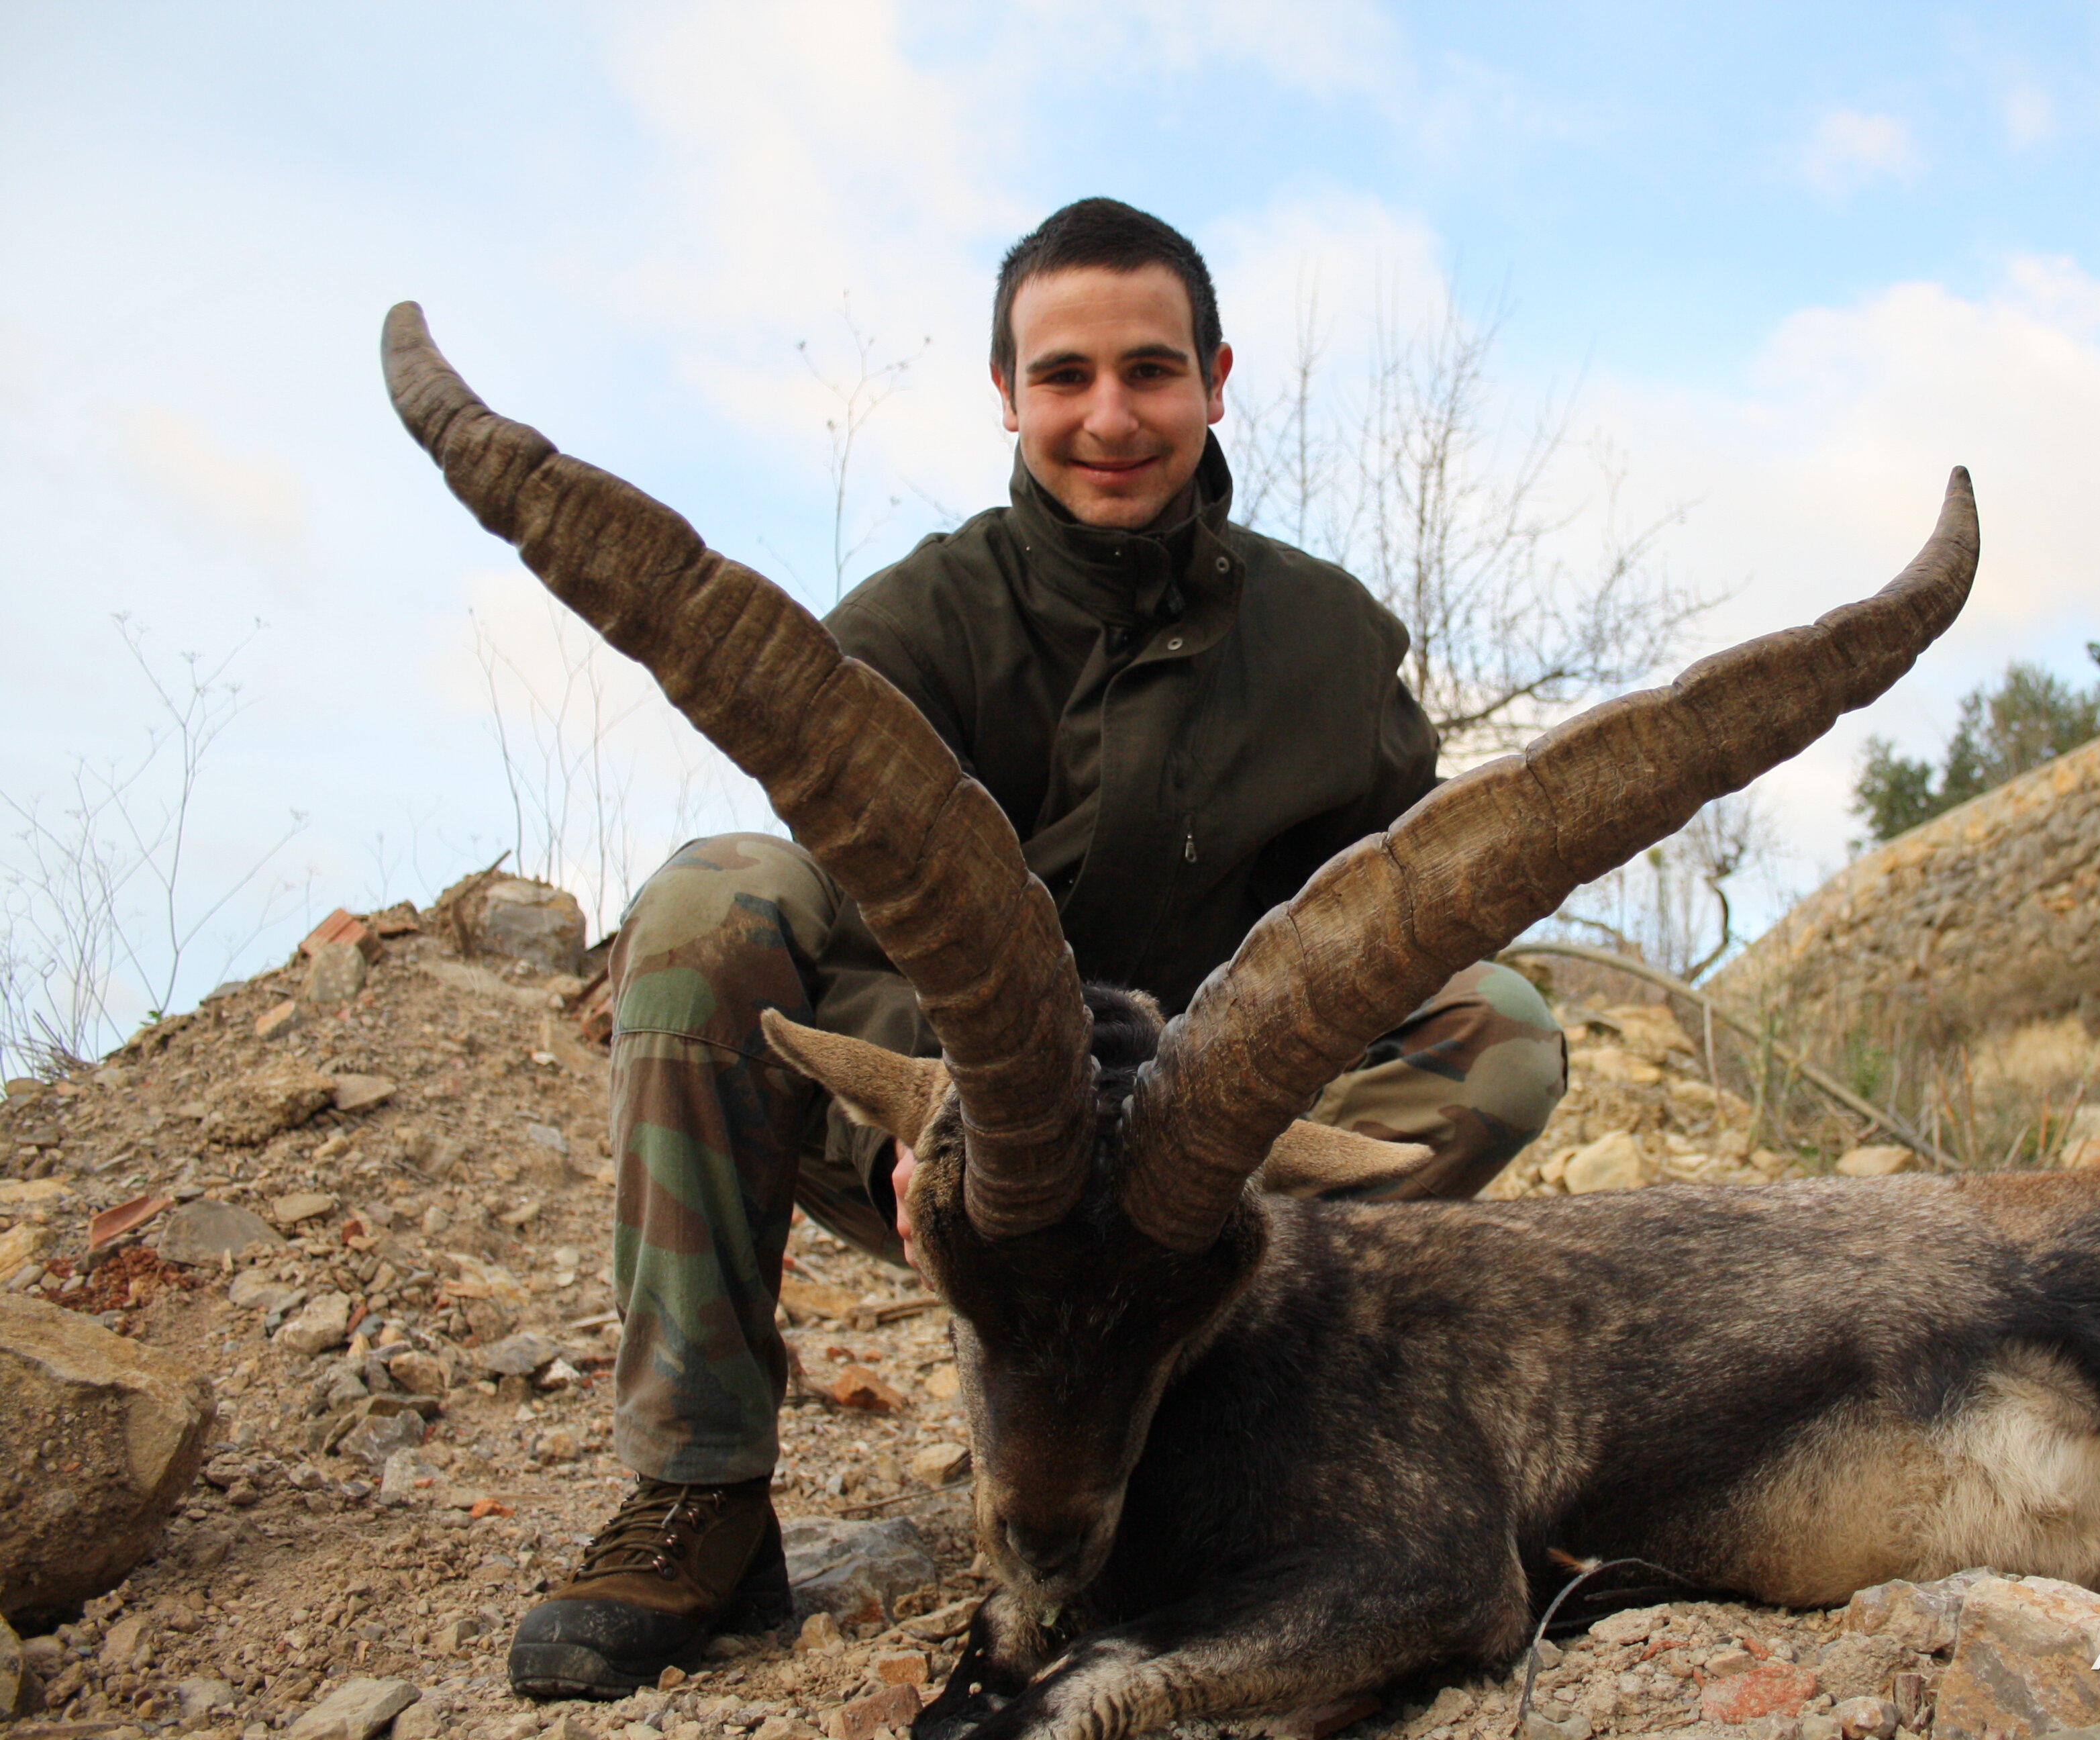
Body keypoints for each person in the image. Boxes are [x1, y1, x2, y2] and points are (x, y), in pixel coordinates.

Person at [506, 198, 1569, 1700]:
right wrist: (946, 1102)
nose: (1111, 416)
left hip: (1196, 1203)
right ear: (1007, 395)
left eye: (1151, 370)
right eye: (1065, 376)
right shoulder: (902, 630)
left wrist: (1202, 1105)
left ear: (1215, 376)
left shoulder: (1336, 647)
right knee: (703, 909)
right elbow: (851, 927)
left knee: (1505, 1025)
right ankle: (702, 1494)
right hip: (973, 1173)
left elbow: (1385, 943)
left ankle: (1231, 1400)